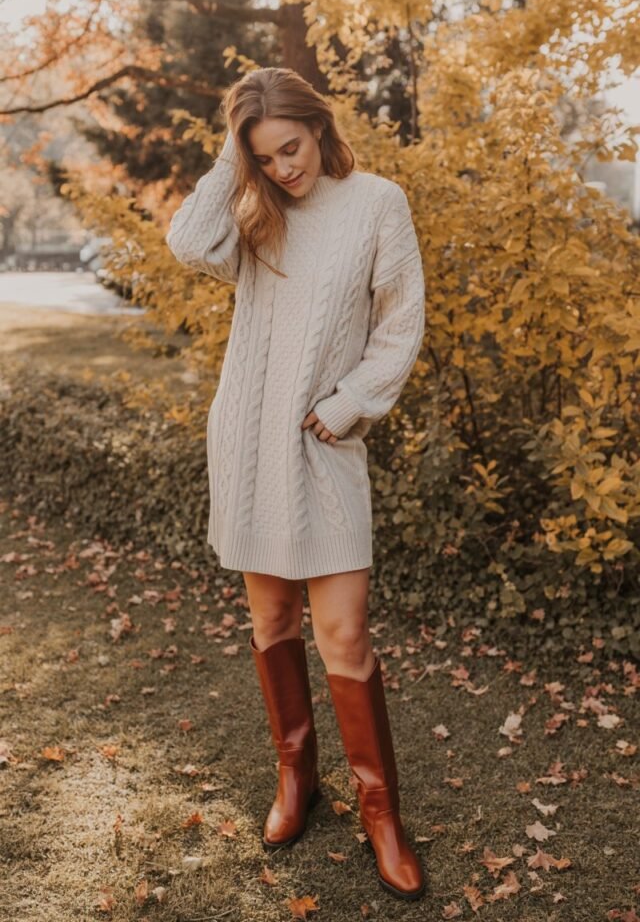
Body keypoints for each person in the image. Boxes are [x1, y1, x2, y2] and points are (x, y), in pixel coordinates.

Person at [166, 67, 426, 901]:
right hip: (248, 441)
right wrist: (231, 148)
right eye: (265, 157)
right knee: (272, 617)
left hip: (325, 445)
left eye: (291, 146)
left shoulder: (379, 202)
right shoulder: (254, 210)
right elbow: (186, 242)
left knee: (344, 637)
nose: (284, 169)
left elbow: (400, 320)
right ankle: (296, 781)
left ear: (319, 127)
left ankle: (379, 810)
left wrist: (351, 403)